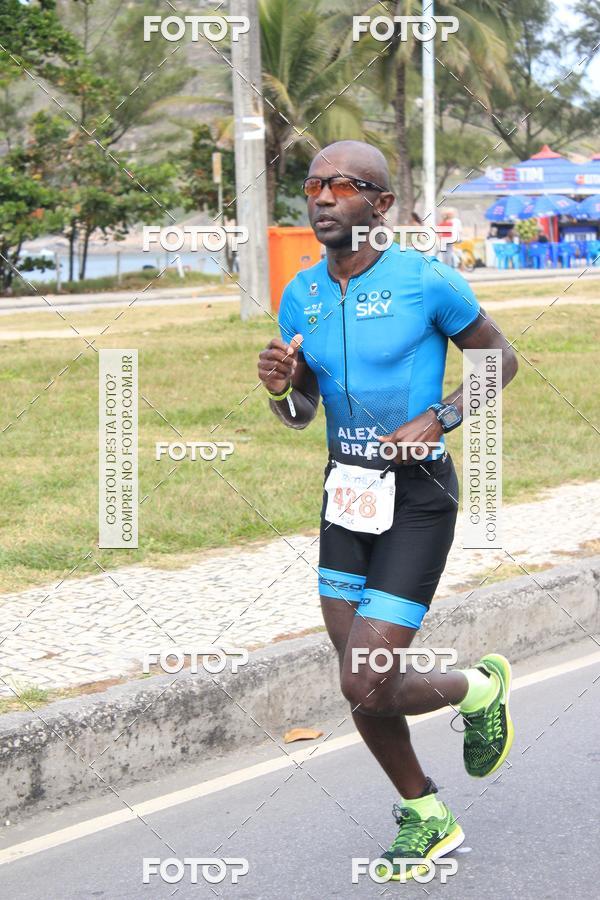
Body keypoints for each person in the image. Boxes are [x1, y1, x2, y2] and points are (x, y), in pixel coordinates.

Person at [257, 140, 518, 882]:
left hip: (418, 499)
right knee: (359, 675)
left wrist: (442, 415)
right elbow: (302, 413)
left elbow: (499, 357)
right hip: (347, 493)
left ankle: (479, 687)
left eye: (343, 184)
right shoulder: (300, 293)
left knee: (363, 679)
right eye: (313, 184)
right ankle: (425, 811)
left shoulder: (425, 280)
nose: (322, 197)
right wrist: (284, 386)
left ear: (382, 204)